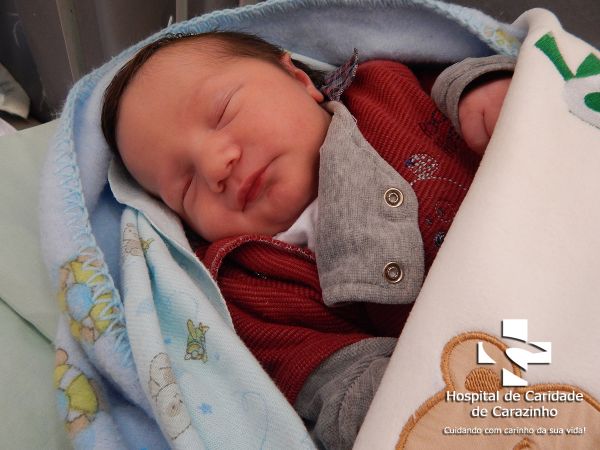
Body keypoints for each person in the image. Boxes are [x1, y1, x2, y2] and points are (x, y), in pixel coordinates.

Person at [101, 31, 513, 449]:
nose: (214, 167)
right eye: (185, 186)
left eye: (223, 112)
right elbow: (338, 389)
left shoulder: (384, 91)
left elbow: (490, 75)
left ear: (299, 79)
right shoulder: (250, 284)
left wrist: (481, 88)